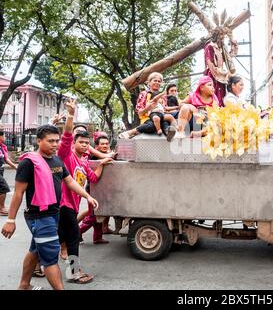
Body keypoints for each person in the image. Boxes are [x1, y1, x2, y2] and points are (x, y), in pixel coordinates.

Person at [1, 125, 100, 290]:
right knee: (52, 257)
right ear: (39, 141)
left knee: (35, 250)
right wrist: (11, 220)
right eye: (50, 141)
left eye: (57, 141)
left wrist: (87, 196)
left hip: (54, 213)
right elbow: (18, 193)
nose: (55, 144)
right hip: (40, 216)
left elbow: (70, 181)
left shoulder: (57, 160)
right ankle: (73, 273)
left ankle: (24, 285)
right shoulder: (28, 162)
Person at [57, 100, 113, 284]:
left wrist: (102, 164)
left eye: (86, 143)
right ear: (74, 143)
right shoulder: (67, 156)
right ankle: (74, 271)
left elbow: (93, 178)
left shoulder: (84, 162)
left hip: (72, 206)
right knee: (73, 238)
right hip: (62, 204)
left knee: (51, 239)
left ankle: (35, 266)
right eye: (80, 142)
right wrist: (71, 115)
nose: (83, 145)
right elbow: (65, 137)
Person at [118, 72, 177, 141]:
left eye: (159, 81)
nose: (157, 83)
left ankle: (170, 134)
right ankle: (131, 132)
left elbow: (165, 109)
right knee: (153, 125)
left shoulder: (163, 97)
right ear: (149, 83)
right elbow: (140, 113)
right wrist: (148, 108)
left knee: (166, 122)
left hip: (161, 117)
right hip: (148, 119)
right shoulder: (144, 94)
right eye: (155, 80)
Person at [0, 129, 17, 216]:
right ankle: (2, 208)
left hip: (1, 170)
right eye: (4, 135)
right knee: (3, 188)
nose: (5, 137)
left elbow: (6, 159)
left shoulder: (2, 147)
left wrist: (15, 166)